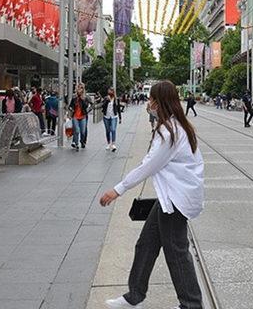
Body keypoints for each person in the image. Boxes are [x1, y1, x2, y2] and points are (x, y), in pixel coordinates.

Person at [99, 80, 204, 309]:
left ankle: (191, 304)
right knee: (146, 244)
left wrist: (118, 189)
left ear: (159, 102)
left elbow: (149, 165)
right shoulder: (175, 126)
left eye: (151, 99)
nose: (149, 103)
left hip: (176, 200)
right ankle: (134, 296)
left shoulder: (170, 131)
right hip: (171, 197)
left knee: (176, 251)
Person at [69, 84, 91, 151]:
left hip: (83, 116)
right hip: (75, 116)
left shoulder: (85, 97)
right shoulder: (74, 97)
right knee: (77, 130)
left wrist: (82, 99)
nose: (79, 89)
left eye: (81, 88)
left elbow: (87, 106)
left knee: (83, 131)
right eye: (78, 88)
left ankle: (82, 141)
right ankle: (76, 144)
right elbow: (70, 106)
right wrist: (71, 109)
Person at [102, 88, 122, 152]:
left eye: (111, 91)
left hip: (114, 116)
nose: (110, 92)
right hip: (106, 116)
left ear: (113, 92)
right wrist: (107, 101)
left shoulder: (116, 99)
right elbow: (103, 106)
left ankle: (113, 144)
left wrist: (120, 118)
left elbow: (118, 108)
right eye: (109, 91)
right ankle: (108, 143)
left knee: (113, 129)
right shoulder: (106, 98)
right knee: (107, 130)